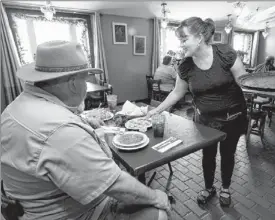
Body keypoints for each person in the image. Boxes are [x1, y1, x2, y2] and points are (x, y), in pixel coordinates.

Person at [1, 41, 170, 220]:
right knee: (158, 212)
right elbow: (115, 185)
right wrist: (156, 196)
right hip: (74, 213)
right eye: (86, 79)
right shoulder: (61, 131)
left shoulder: (14, 107)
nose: (86, 85)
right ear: (74, 83)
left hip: (26, 203)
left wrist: (85, 123)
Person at [147, 17, 248, 207]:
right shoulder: (185, 65)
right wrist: (156, 110)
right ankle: (209, 188)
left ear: (200, 37)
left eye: (184, 39)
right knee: (208, 156)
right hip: (205, 121)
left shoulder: (225, 53)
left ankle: (225, 188)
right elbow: (177, 92)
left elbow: (244, 82)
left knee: (228, 154)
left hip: (232, 118)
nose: (181, 44)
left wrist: (262, 89)